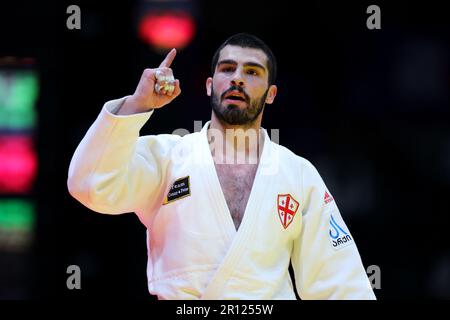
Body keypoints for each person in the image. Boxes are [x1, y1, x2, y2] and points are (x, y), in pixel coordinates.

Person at [67, 33, 376, 300]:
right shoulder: (169, 157)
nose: (238, 78)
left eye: (252, 72)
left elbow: (340, 283)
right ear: (210, 85)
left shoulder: (297, 173)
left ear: (271, 95)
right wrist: (137, 104)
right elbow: (90, 185)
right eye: (228, 69)